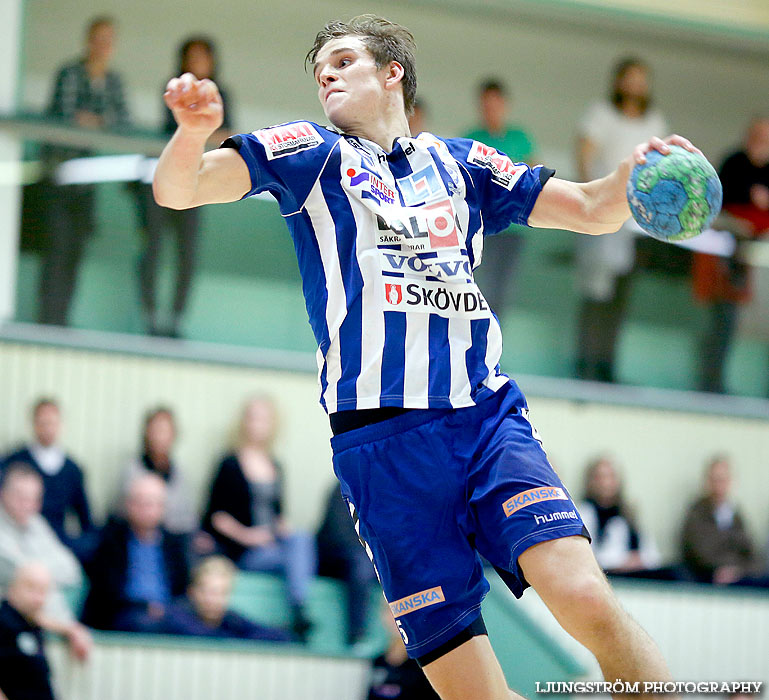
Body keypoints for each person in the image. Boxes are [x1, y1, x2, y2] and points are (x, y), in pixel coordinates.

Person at [154, 14, 693, 697]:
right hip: (380, 449)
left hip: (482, 418)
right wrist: (191, 133)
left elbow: (589, 207)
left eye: (344, 60)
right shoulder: (310, 155)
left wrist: (635, 176)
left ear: (391, 74)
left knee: (584, 597)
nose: (326, 73)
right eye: (320, 67)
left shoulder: (462, 164)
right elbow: (179, 189)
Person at [575, 58, 668, 382]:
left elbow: (660, 164)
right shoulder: (601, 113)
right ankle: (585, 362)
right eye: (631, 79)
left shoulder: (653, 120)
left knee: (621, 297)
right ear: (619, 82)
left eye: (642, 80)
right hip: (602, 214)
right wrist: (591, 200)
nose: (636, 86)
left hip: (637, 219)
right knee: (596, 293)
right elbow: (585, 153)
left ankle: (607, 364)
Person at [133, 36, 233, 337]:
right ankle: (149, 314)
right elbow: (176, 133)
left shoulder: (222, 94)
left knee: (186, 252)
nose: (199, 62)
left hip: (199, 182)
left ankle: (176, 318)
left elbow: (228, 135)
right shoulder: (175, 87)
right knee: (152, 248)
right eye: (193, 57)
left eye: (204, 57)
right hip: (165, 178)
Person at [38, 15, 131, 326]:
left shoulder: (113, 81)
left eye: (109, 40)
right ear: (88, 41)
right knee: (55, 249)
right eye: (98, 38)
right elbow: (66, 116)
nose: (103, 46)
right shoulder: (70, 73)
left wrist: (95, 120)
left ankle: (62, 319)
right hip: (59, 175)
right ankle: (47, 319)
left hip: (89, 179)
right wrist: (95, 120)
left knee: (76, 251)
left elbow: (121, 119)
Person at [201, 397, 315, 640]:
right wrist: (248, 536)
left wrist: (282, 527)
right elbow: (215, 515)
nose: (257, 424)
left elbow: (277, 513)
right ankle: (298, 613)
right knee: (288, 557)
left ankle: (299, 608)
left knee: (301, 539)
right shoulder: (229, 463)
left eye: (263, 419)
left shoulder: (276, 465)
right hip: (245, 550)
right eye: (253, 417)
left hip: (272, 542)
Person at [693, 116, 769, 393]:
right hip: (730, 255)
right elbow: (716, 206)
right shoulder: (734, 163)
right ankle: (711, 383)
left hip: (760, 257)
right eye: (758, 135)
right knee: (722, 322)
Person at [463, 79, 537, 317]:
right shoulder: (470, 139)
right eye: (486, 106)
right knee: (479, 286)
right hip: (481, 227)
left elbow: (532, 178)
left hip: (514, 228)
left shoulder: (520, 138)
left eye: (495, 105)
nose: (491, 111)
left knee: (502, 290)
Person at [81, 473, 191, 632]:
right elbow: (105, 594)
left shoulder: (175, 544)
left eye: (153, 504)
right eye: (141, 503)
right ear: (129, 505)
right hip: (125, 613)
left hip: (169, 613)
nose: (147, 510)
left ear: (163, 508)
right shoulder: (110, 540)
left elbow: (183, 587)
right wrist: (145, 606)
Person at [2, 399, 96, 563]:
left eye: (52, 423)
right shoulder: (13, 461)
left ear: (61, 425)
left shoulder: (72, 469)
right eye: (42, 423)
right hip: (17, 538)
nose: (47, 429)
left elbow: (86, 519)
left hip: (56, 542)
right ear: (33, 424)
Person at [0, 464, 84, 630]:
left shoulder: (37, 523)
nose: (27, 505)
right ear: (3, 494)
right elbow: (20, 570)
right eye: (21, 497)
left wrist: (37, 575)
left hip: (50, 626)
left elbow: (71, 569)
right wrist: (40, 576)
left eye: (34, 499)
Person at [162, 555, 294, 642]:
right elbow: (207, 638)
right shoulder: (176, 615)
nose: (214, 600)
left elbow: (275, 635)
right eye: (209, 592)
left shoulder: (231, 619)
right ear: (192, 592)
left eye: (222, 593)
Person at [117, 407, 199, 536]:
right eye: (156, 430)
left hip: (175, 541)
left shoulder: (180, 473)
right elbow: (121, 513)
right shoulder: (131, 470)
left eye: (165, 431)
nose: (160, 436)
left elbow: (188, 519)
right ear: (146, 433)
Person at [680, 456, 762, 585]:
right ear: (707, 482)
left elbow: (753, 555)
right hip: (707, 578)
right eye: (715, 480)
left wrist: (737, 570)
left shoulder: (736, 515)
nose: (719, 485)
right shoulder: (697, 513)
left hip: (739, 576)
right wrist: (726, 567)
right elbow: (700, 554)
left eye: (723, 479)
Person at [577, 457, 662, 575]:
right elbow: (586, 557)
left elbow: (652, 555)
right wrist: (623, 561)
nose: (606, 483)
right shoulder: (585, 513)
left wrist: (638, 560)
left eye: (610, 476)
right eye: (600, 477)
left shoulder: (628, 513)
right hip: (607, 575)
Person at [316, 483, 377, 646]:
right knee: (362, 568)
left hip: (362, 555)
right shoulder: (347, 484)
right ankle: (357, 636)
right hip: (333, 555)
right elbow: (338, 532)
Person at [0, 563, 58, 700]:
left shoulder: (30, 620)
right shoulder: (4, 621)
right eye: (31, 588)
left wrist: (72, 629)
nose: (38, 599)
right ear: (13, 587)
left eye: (43, 591)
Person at [367, 600, 440, 700]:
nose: (394, 616)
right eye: (389, 610)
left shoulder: (426, 660)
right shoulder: (378, 661)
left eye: (399, 610)